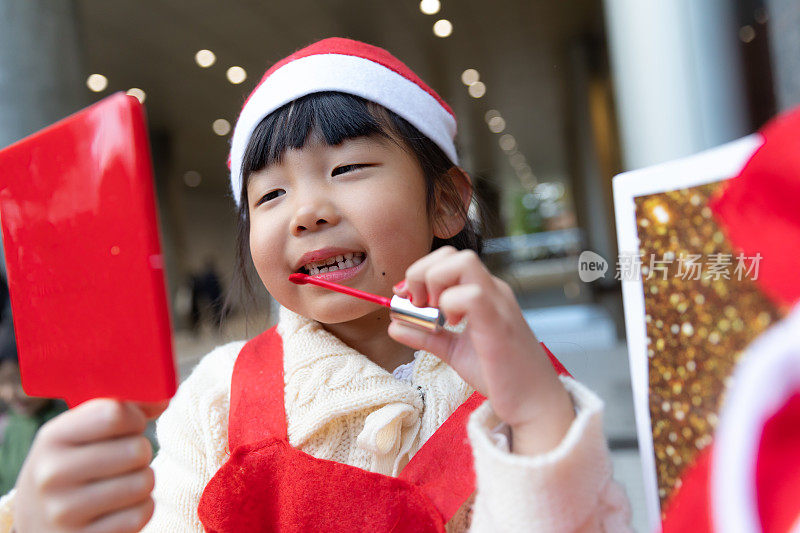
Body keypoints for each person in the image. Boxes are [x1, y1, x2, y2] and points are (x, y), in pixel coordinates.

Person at [0, 37, 631, 532]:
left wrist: (537, 417)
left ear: (444, 204)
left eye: (348, 166)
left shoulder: (521, 379)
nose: (307, 211)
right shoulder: (217, 401)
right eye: (270, 194)